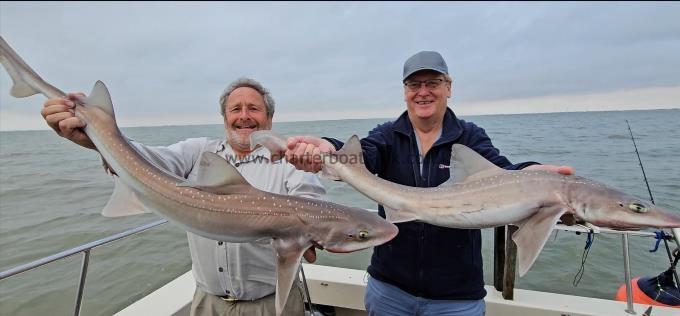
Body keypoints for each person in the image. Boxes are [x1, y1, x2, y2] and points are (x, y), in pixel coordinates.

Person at [285, 51, 574, 315]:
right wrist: (328, 149)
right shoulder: (387, 136)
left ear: (448, 87)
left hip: (456, 298)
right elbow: (365, 155)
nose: (423, 92)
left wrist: (533, 173)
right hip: (389, 290)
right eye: (414, 85)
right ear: (405, 92)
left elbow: (502, 172)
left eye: (432, 82)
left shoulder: (470, 138)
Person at [41, 78, 325, 316]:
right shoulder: (198, 151)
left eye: (254, 108)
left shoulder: (289, 163)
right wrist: (96, 137)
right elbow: (145, 161)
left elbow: (315, 209)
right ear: (225, 117)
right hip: (207, 303)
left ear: (269, 118)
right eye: (235, 108)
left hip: (272, 304)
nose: (244, 116)